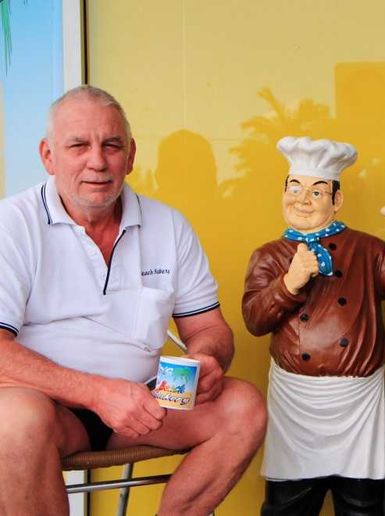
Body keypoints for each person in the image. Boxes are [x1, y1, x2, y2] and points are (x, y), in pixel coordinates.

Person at [0, 85, 266, 516]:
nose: (97, 161)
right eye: (78, 145)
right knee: (10, 421)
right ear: (48, 155)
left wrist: (207, 358)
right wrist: (98, 394)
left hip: (146, 405)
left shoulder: (169, 225)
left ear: (131, 154)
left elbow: (208, 328)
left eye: (111, 145)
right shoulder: (11, 225)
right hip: (47, 411)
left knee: (244, 407)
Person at [242, 136, 385, 515]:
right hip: (295, 402)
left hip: (358, 404)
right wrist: (288, 284)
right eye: (294, 188)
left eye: (317, 191)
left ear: (336, 200)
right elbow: (254, 320)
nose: (303, 200)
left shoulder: (369, 250)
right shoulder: (269, 256)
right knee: (288, 505)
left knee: (362, 504)